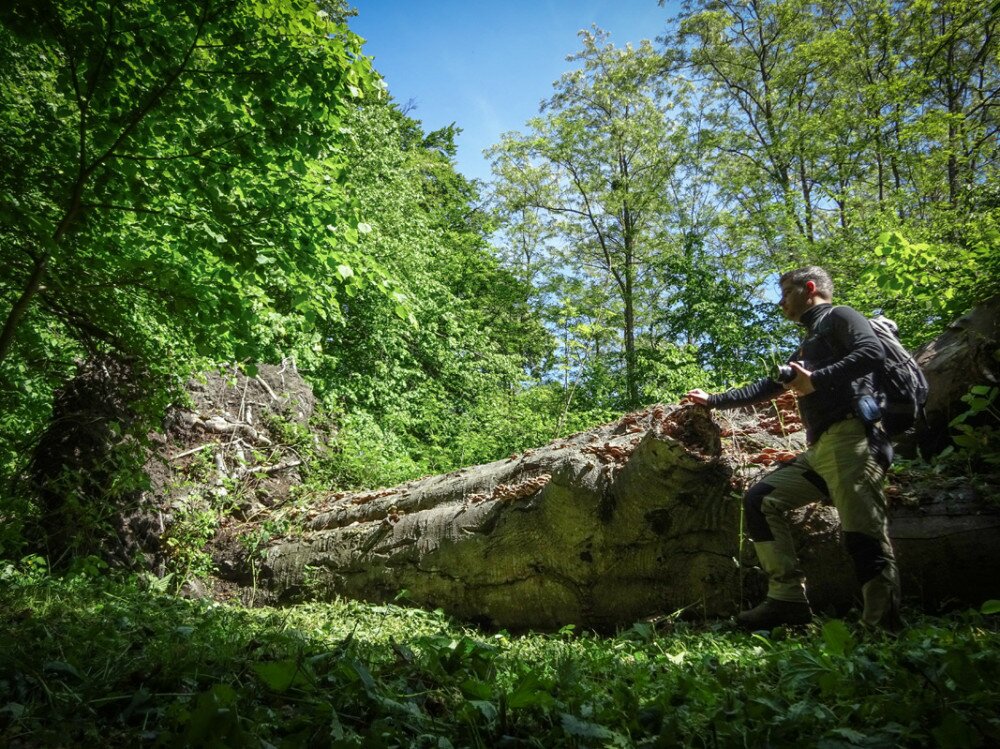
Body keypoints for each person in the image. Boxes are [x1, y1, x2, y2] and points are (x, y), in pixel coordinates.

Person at [686, 266, 901, 631]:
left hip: (854, 441)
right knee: (761, 499)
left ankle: (882, 627)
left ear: (811, 289)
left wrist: (816, 380)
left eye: (786, 292)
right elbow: (768, 388)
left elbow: (872, 352)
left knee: (863, 535)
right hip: (822, 451)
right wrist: (714, 400)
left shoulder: (841, 316)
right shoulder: (809, 343)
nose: (781, 301)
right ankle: (787, 600)